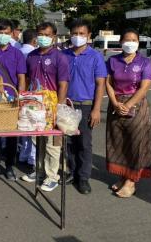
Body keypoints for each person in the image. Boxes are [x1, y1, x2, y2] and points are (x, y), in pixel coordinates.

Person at [105, 28, 151, 198]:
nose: (130, 43)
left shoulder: (144, 62)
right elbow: (108, 83)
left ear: (138, 43)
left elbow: (145, 86)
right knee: (118, 142)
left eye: (134, 40)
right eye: (127, 39)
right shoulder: (112, 61)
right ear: (120, 42)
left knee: (135, 143)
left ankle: (131, 181)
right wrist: (115, 102)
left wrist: (128, 104)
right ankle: (122, 176)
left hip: (137, 106)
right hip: (116, 104)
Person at [62, 19, 107, 194]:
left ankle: (83, 178)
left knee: (84, 144)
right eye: (74, 33)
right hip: (66, 105)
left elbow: (100, 84)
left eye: (82, 34)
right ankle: (72, 172)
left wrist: (96, 109)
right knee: (68, 142)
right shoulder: (64, 55)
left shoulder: (95, 57)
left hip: (86, 106)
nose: (78, 37)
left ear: (89, 36)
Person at [24, 22, 69, 192]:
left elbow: (63, 83)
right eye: (40, 34)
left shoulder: (60, 57)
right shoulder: (31, 56)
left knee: (52, 142)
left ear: (54, 37)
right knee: (37, 139)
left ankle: (52, 176)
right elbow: (28, 79)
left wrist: (60, 106)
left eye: (47, 35)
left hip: (52, 103)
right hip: (34, 103)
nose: (43, 38)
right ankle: (40, 170)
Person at [0, 19, 26, 181]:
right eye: (0, 33)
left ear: (12, 34)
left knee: (12, 134)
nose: (3, 36)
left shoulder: (17, 53)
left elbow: (21, 77)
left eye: (6, 33)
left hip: (13, 97)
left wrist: (21, 97)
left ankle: (10, 166)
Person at [18, 29, 38, 171]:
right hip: (34, 94)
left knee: (24, 125)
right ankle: (32, 158)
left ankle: (23, 155)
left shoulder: (19, 52)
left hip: (22, 93)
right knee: (34, 126)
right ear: (34, 40)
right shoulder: (34, 54)